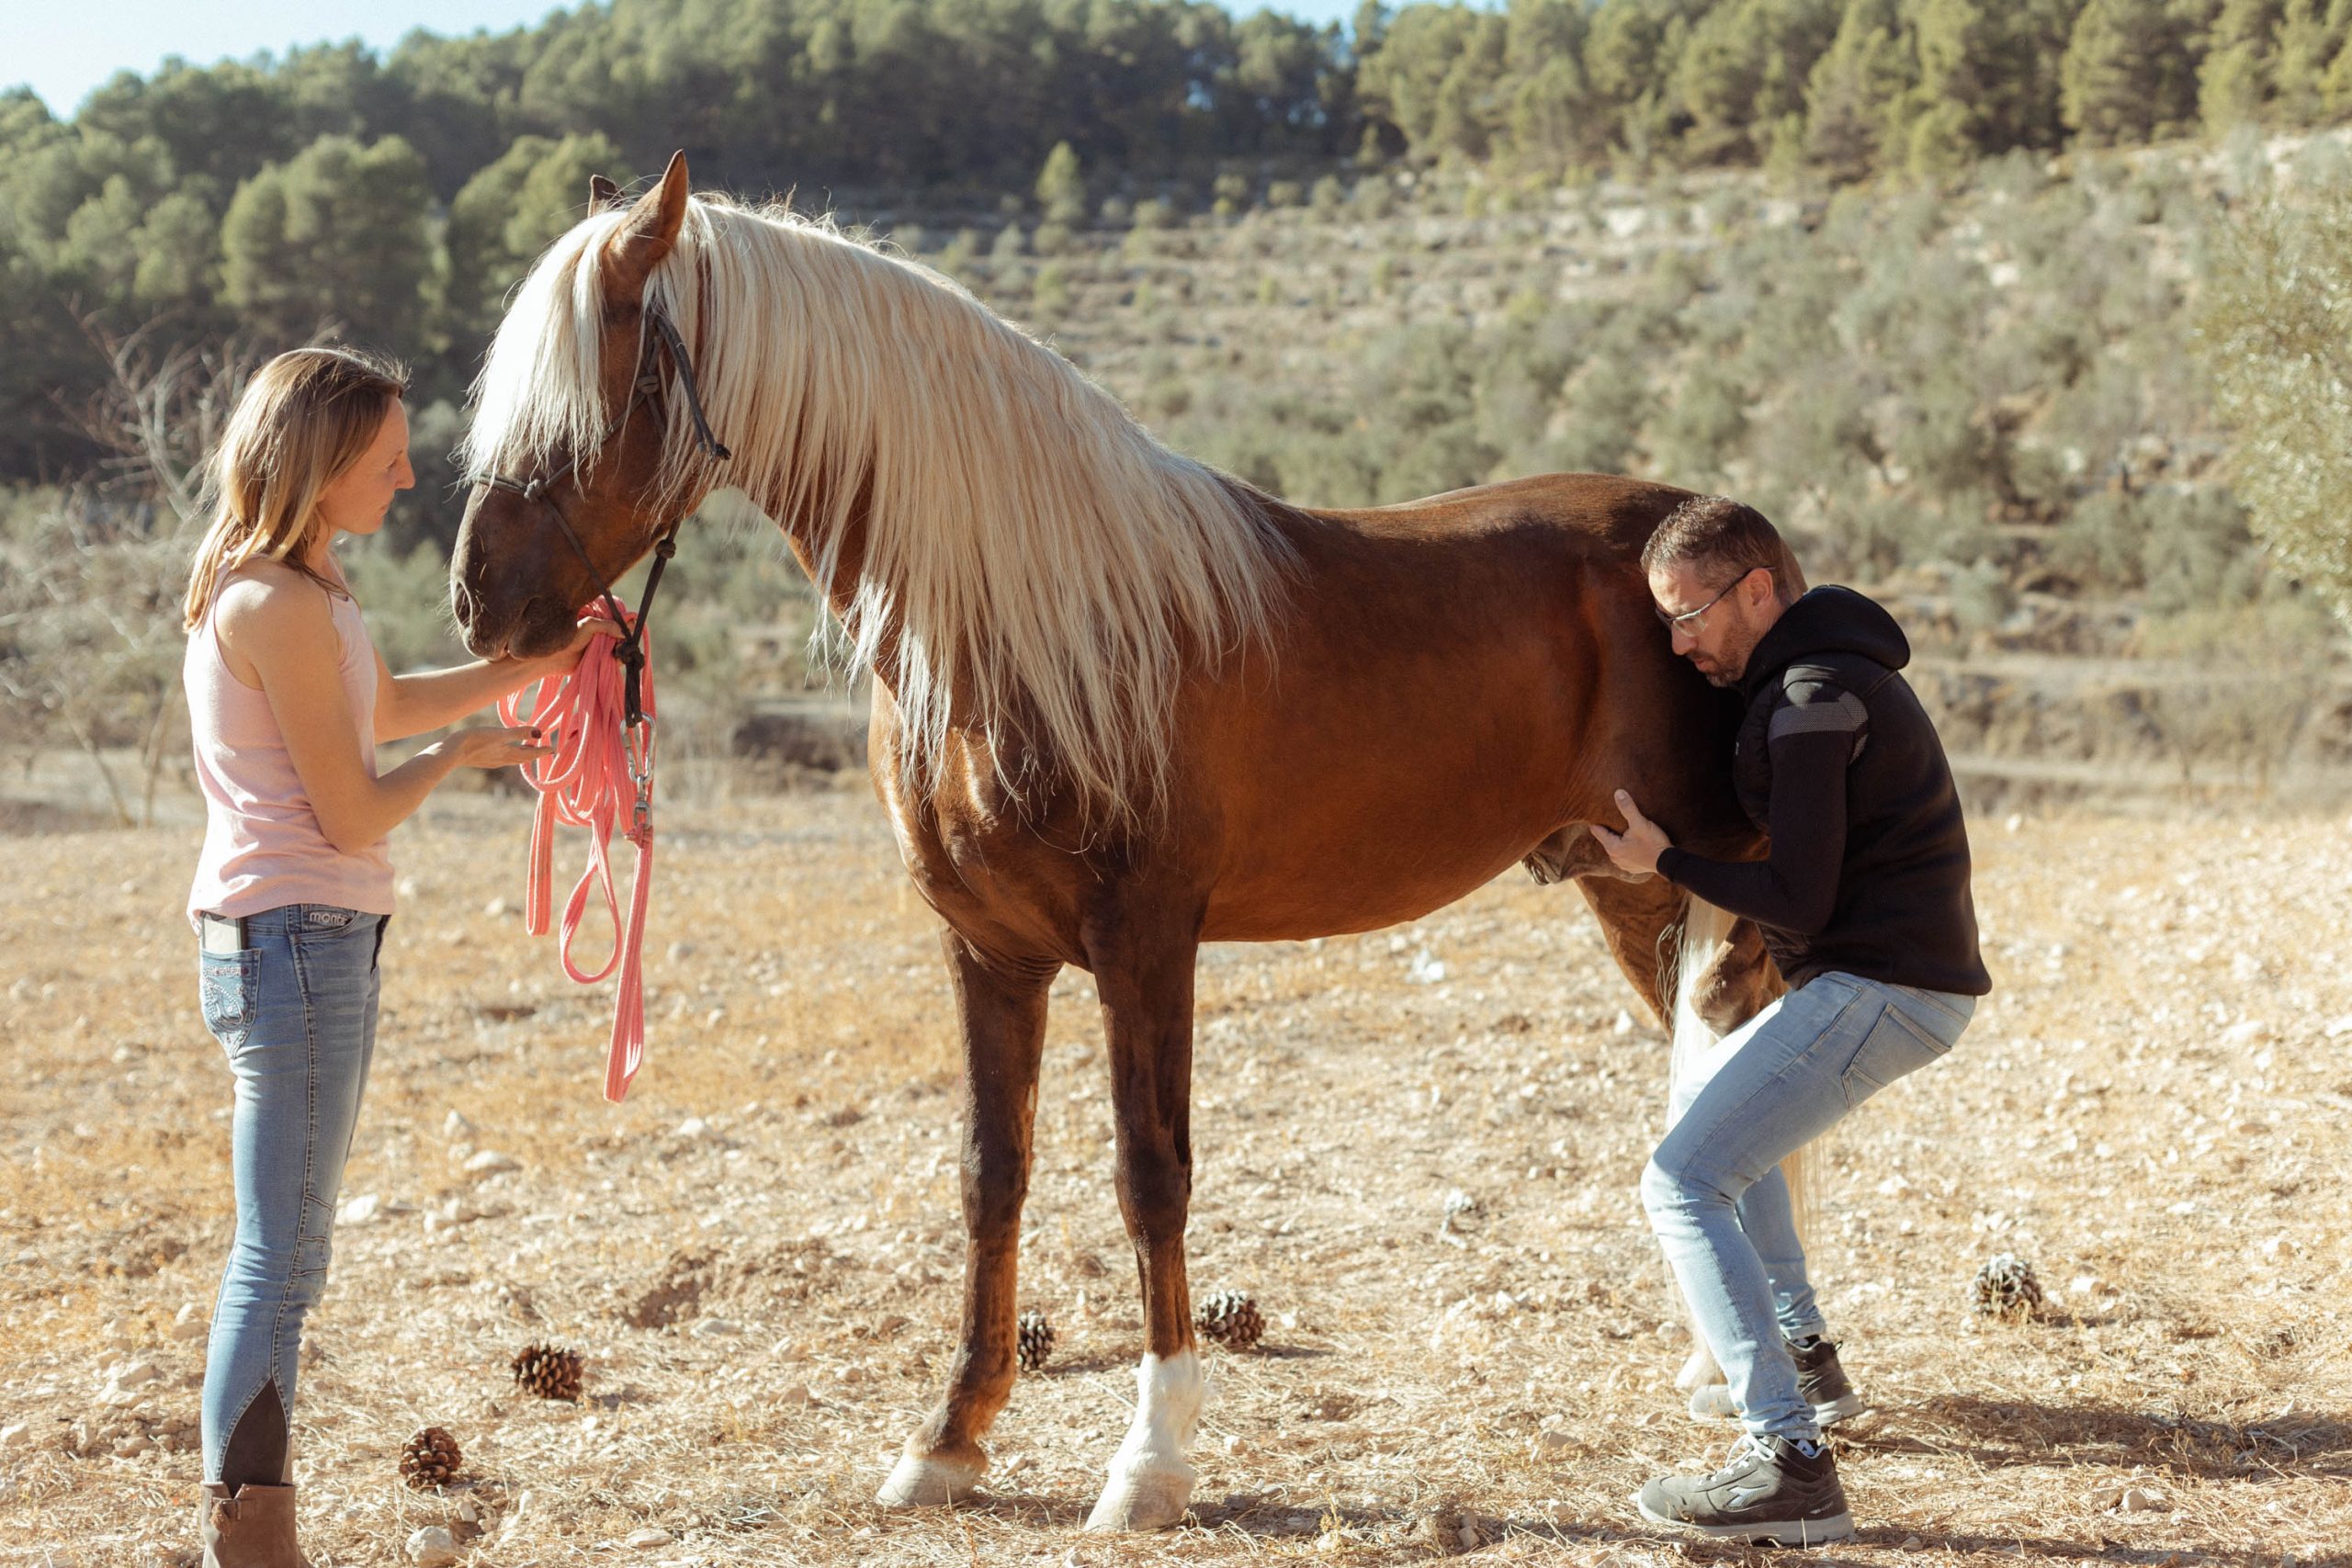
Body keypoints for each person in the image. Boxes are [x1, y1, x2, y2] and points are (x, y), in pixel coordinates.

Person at [181, 346, 603, 1566]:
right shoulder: (280, 602)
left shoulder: (298, 587)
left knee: (285, 1253)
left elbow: (370, 703)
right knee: (279, 1261)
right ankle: (251, 1542)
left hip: (289, 940)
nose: (410, 476)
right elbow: (357, 808)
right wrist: (465, 753)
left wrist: (521, 672)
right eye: (385, 459)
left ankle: (247, 1529)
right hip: (300, 942)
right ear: (318, 468)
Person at [1590, 494, 1991, 1548]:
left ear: (1758, 590)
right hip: (1878, 983)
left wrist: (1661, 862)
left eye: (1691, 615)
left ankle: (1787, 1463)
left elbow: (1801, 899)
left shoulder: (1813, 695)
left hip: (1884, 988)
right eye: (1666, 622)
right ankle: (1807, 1357)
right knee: (1734, 1133)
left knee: (1680, 1180)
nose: (1680, 644)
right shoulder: (1818, 679)